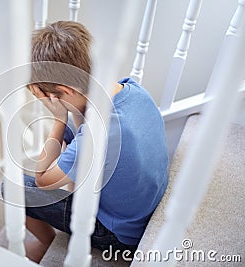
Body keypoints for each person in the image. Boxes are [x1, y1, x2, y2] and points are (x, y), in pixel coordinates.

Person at [13, 21, 168, 263]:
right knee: (72, 148)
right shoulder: (133, 89)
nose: (50, 102)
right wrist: (69, 109)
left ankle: (45, 244)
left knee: (14, 187)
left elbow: (42, 181)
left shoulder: (98, 132)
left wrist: (58, 118)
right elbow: (85, 127)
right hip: (142, 206)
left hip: (120, 235)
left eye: (52, 97)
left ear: (67, 90)